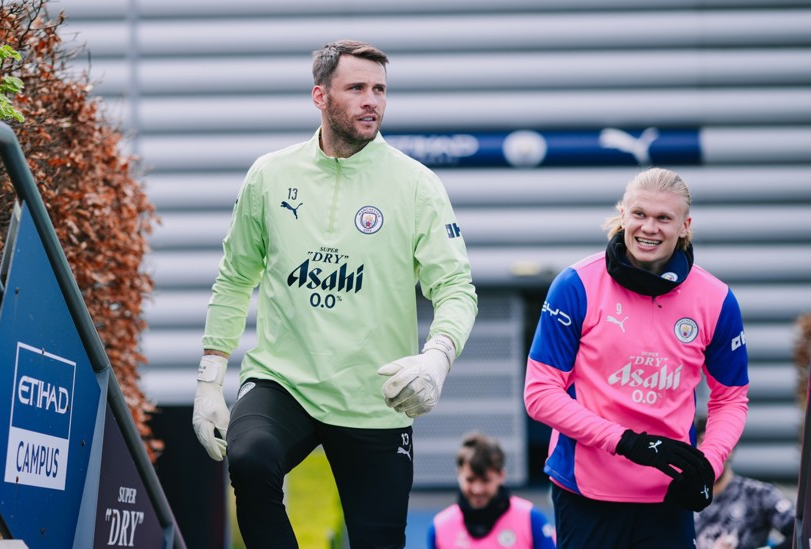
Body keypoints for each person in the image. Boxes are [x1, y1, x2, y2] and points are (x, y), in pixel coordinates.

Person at [191, 39, 478, 548]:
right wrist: (210, 379)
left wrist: (437, 358)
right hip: (285, 382)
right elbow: (235, 278)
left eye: (380, 90)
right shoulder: (270, 175)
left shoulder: (417, 185)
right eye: (357, 88)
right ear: (320, 96)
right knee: (250, 459)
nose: (373, 101)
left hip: (376, 397)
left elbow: (455, 288)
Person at [522, 167, 750, 548]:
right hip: (585, 493)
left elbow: (731, 397)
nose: (650, 228)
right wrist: (627, 442)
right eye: (640, 214)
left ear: (684, 226)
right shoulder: (576, 284)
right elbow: (540, 394)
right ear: (623, 214)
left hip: (668, 495)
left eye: (664, 218)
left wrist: (708, 463)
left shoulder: (716, 299)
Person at [427, 431, 556, 549]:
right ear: (459, 474)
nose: (477, 490)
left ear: (501, 476)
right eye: (470, 480)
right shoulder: (439, 527)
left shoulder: (531, 518)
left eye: (485, 481)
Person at [694, 419, 796, 549]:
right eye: (700, 442)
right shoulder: (677, 500)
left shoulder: (758, 495)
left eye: (712, 444)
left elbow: (799, 531)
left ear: (730, 449)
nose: (706, 452)